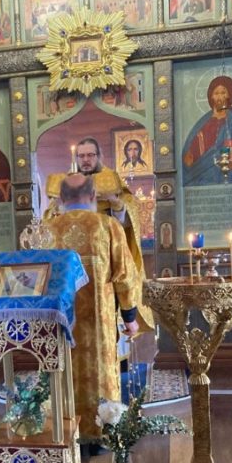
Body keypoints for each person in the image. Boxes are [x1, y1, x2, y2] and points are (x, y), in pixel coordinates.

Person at [44, 173, 139, 444]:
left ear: (61, 199)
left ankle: (65, 432)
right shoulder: (107, 226)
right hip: (99, 325)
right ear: (93, 196)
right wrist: (130, 316)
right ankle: (101, 433)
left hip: (59, 324)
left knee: (63, 373)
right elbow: (124, 276)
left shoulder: (47, 230)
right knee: (100, 374)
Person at [45, 136, 153, 331]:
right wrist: (58, 208)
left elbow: (128, 223)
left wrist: (116, 203)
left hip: (103, 261)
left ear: (99, 156)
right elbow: (47, 224)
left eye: (90, 155)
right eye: (81, 156)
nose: (86, 160)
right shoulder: (66, 184)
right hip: (69, 264)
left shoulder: (112, 181)